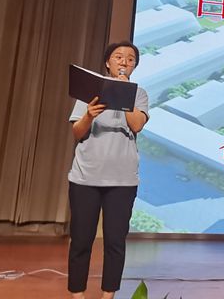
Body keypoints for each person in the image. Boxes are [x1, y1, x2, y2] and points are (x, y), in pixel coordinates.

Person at [67, 41, 149, 299]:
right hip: (85, 177)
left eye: (130, 59)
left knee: (115, 242)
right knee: (81, 240)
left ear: (134, 66)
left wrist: (124, 93)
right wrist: (89, 115)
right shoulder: (89, 91)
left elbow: (136, 125)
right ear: (107, 62)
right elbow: (77, 133)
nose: (124, 62)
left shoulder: (139, 94)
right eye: (118, 57)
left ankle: (108, 295)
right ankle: (77, 294)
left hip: (122, 180)